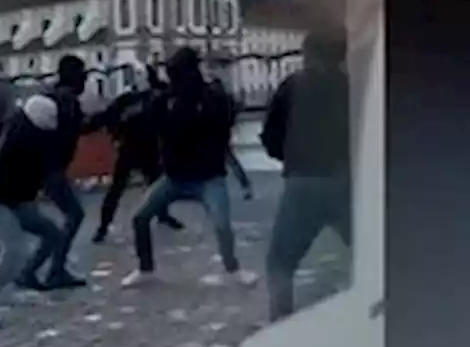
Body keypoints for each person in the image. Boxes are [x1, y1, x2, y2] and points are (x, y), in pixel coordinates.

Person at [123, 47, 256, 288]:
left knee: (221, 225)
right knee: (140, 218)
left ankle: (233, 269)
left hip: (208, 177)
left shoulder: (210, 98)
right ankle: (146, 270)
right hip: (176, 177)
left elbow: (225, 119)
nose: (174, 80)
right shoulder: (167, 99)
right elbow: (149, 118)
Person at [261, 29, 352, 321]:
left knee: (280, 263)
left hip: (302, 182)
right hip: (343, 182)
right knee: (372, 254)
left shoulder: (293, 86)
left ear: (308, 54)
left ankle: (281, 326)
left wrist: (290, 157)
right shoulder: (352, 87)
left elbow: (270, 135)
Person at [0, 94, 65, 329]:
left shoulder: (23, 133)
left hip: (16, 202)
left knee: (51, 234)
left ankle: (19, 280)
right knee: (14, 251)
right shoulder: (22, 140)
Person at [91, 64, 186, 242]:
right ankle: (103, 226)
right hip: (131, 148)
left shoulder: (152, 97)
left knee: (155, 185)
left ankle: (162, 215)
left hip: (146, 148)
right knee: (119, 189)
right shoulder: (129, 100)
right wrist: (116, 136)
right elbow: (108, 117)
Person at [18, 54, 89, 289]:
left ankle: (44, 269)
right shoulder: (67, 101)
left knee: (47, 219)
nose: (85, 80)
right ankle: (44, 269)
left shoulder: (50, 96)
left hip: (41, 167)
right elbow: (70, 131)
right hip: (50, 169)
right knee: (72, 216)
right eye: (82, 74)